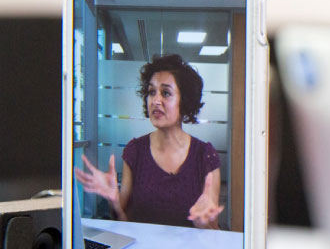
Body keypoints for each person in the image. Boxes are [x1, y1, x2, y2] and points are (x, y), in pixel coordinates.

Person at [75, 53, 225, 229]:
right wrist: (113, 203)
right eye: (151, 92)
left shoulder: (205, 155)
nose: (155, 100)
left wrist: (204, 223)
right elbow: (123, 224)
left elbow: (214, 233)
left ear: (184, 102)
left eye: (166, 93)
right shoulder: (135, 151)